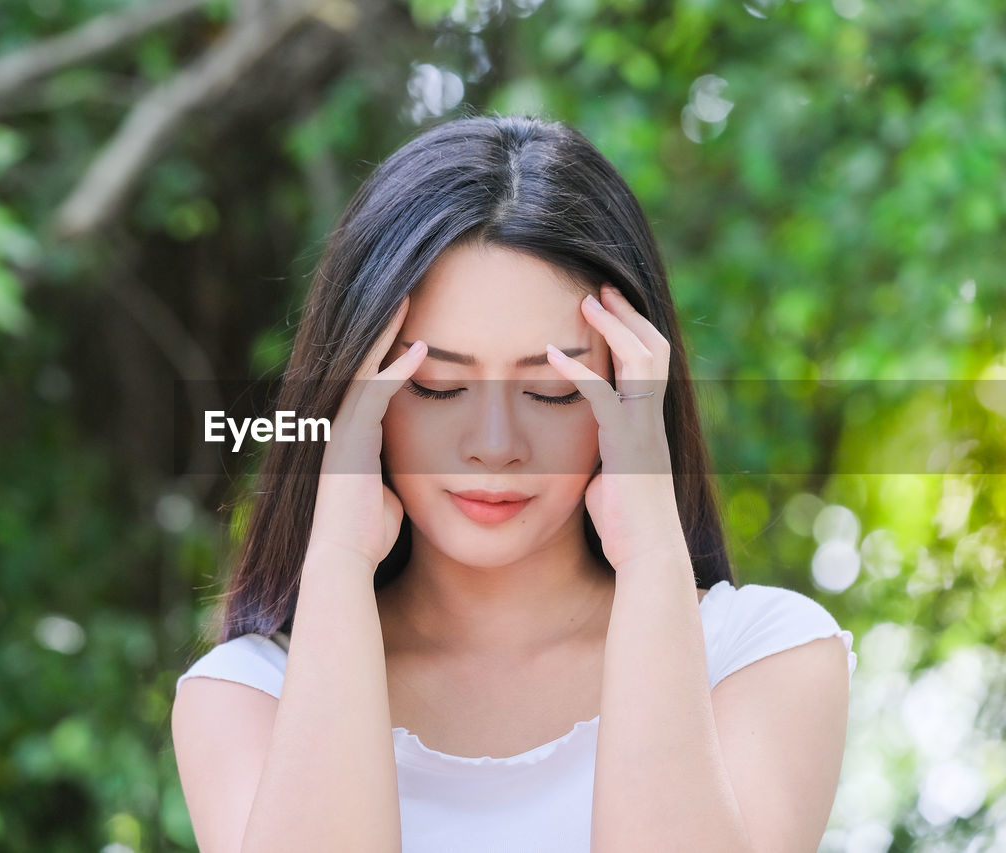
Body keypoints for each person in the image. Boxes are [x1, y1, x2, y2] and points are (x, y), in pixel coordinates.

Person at [171, 114, 856, 853]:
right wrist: (338, 552)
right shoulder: (247, 696)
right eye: (435, 386)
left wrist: (653, 551)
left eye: (554, 390)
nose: (495, 447)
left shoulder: (760, 653)